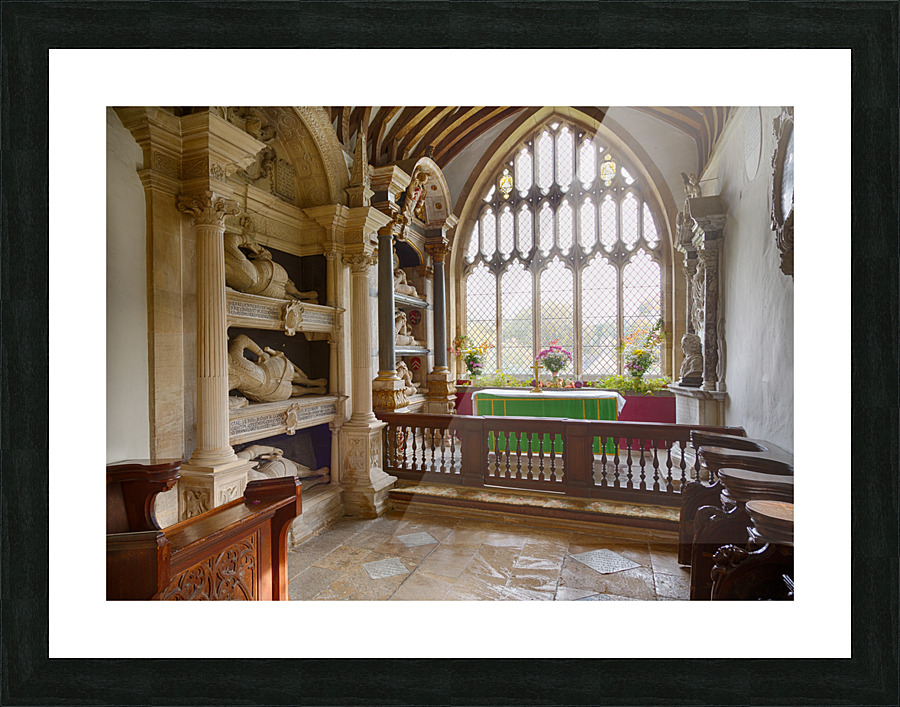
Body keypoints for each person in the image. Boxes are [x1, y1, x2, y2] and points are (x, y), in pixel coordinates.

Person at [228, 334, 327, 402]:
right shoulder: (231, 379)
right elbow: (242, 339)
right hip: (266, 389)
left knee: (291, 376)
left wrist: (260, 353)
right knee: (290, 389)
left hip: (267, 370)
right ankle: (310, 390)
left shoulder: (233, 356)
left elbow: (242, 339)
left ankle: (311, 383)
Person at [237, 444, 330, 490]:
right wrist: (272, 449)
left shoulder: (239, 466)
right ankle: (316, 479)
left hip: (275, 468)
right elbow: (253, 450)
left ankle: (315, 474)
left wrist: (272, 450)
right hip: (279, 477)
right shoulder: (241, 468)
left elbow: (253, 451)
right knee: (296, 485)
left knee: (297, 479)